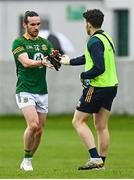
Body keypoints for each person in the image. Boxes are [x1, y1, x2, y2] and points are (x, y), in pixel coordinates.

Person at [60, 9, 118, 170]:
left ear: (89, 23)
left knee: (78, 121)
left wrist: (84, 74)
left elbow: (99, 67)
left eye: (85, 22)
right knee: (101, 126)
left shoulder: (93, 41)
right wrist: (69, 61)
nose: (84, 25)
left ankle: (94, 157)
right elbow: (90, 57)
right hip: (111, 86)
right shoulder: (106, 38)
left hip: (97, 87)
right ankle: (101, 163)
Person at [12, 11, 53, 171]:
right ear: (25, 25)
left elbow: (53, 58)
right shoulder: (18, 42)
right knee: (34, 125)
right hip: (25, 89)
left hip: (42, 90)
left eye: (38, 24)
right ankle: (27, 159)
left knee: (40, 130)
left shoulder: (46, 43)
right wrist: (42, 62)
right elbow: (26, 62)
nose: (36, 27)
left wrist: (61, 60)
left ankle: (27, 159)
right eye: (32, 24)